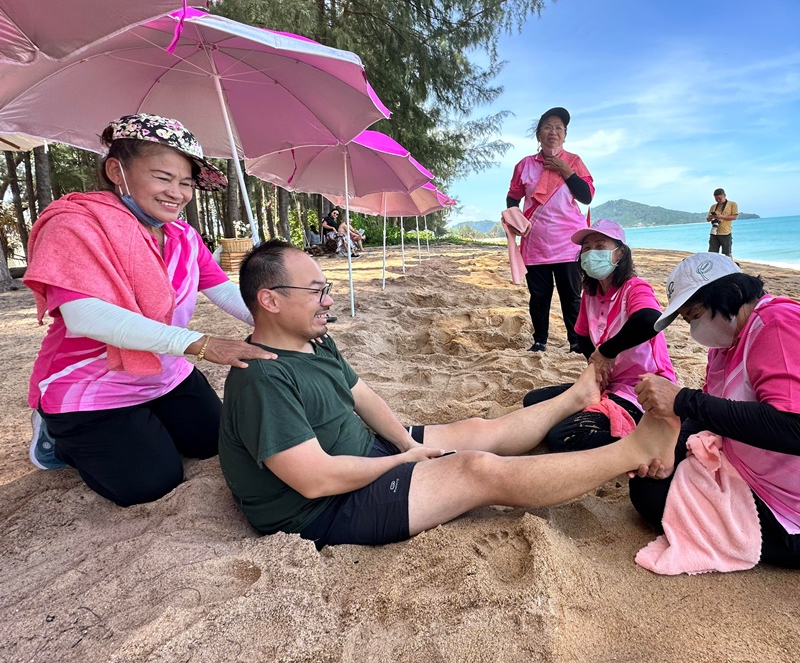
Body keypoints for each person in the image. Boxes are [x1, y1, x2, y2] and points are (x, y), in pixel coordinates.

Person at [218, 240, 679, 548]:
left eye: (328, 288)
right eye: (317, 290)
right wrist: (400, 462)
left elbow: (363, 396)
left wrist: (405, 443)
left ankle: (575, 398)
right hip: (320, 510)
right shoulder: (261, 378)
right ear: (270, 300)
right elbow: (315, 480)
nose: (329, 301)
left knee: (478, 430)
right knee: (476, 471)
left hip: (360, 454)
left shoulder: (313, 341)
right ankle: (632, 450)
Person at [23, 113, 277, 507]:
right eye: (163, 177)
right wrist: (202, 344)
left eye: (187, 183)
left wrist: (278, 319)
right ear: (116, 170)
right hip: (92, 385)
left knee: (216, 442)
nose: (176, 192)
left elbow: (222, 290)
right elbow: (84, 316)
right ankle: (54, 435)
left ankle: (147, 424)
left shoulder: (182, 236)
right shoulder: (75, 225)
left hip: (164, 372)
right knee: (151, 483)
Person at [629, 253, 800, 568]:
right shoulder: (727, 345)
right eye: (688, 320)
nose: (695, 327)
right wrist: (665, 442)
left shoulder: (781, 326)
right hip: (762, 475)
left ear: (733, 295)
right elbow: (713, 412)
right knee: (652, 469)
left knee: (649, 494)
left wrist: (683, 400)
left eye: (695, 314)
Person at [523, 219, 678, 452]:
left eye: (600, 246)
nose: (591, 253)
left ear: (620, 253)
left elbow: (650, 320)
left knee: (564, 436)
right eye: (586, 249)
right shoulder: (591, 293)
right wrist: (597, 365)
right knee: (533, 400)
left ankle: (642, 436)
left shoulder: (634, 288)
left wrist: (606, 352)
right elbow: (582, 336)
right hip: (610, 383)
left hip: (643, 388)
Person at [506, 107, 594, 353]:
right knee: (539, 296)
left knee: (572, 296)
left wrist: (565, 170)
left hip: (569, 242)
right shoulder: (524, 165)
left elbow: (586, 196)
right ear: (538, 134)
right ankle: (540, 340)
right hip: (535, 243)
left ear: (565, 135)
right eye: (547, 126)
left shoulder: (574, 161)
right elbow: (512, 198)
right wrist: (514, 218)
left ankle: (575, 342)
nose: (553, 132)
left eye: (559, 128)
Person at [706, 188, 738, 258]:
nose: (718, 200)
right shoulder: (713, 206)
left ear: (725, 195)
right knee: (712, 254)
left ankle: (731, 268)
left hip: (726, 233)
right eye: (716, 198)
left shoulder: (732, 204)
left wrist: (722, 217)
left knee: (728, 254)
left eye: (720, 198)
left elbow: (734, 217)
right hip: (714, 233)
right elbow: (708, 219)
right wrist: (711, 217)